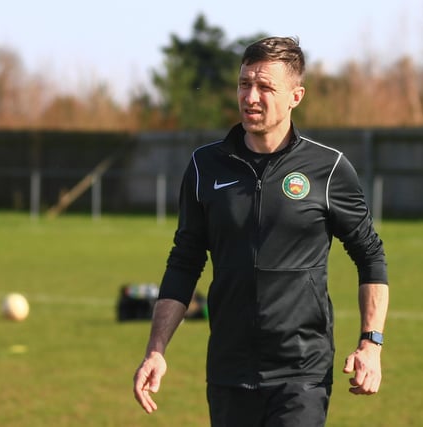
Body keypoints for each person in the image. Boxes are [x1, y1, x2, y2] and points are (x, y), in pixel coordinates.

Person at [133, 36, 389, 427]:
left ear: (295, 96)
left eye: (265, 87)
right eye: (244, 83)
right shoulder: (206, 167)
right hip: (228, 369)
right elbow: (184, 262)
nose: (251, 96)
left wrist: (371, 344)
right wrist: (156, 350)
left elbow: (370, 256)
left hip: (301, 372)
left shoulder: (329, 169)